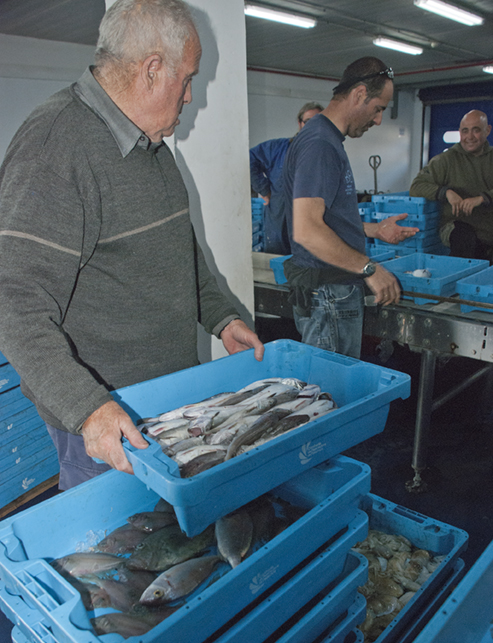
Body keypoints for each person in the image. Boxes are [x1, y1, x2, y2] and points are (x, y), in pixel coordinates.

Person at [0, 0, 263, 490]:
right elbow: (14, 304)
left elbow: (182, 258)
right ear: (152, 69)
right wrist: (87, 409)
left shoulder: (153, 149)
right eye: (187, 79)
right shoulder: (56, 146)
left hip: (171, 405)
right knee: (117, 555)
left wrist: (224, 317)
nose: (190, 98)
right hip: (105, 424)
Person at [282, 57, 419, 359]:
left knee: (332, 392)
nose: (379, 119)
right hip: (328, 293)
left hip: (331, 290)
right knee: (329, 397)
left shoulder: (326, 139)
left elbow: (327, 219)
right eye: (378, 108)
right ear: (359, 95)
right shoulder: (320, 144)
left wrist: (373, 230)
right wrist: (368, 269)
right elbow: (307, 230)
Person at [410, 109, 493, 261]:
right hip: (457, 226)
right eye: (465, 131)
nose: (469, 137)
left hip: (488, 229)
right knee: (465, 240)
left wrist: (482, 198)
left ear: (487, 130)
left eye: (476, 130)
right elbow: (417, 186)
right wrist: (446, 192)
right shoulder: (445, 160)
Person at [250, 102, 323, 254]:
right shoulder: (278, 148)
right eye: (308, 121)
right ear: (299, 123)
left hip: (311, 229)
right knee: (279, 270)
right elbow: (250, 158)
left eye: (318, 122)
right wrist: (264, 189)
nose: (313, 126)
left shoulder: (325, 155)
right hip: (279, 227)